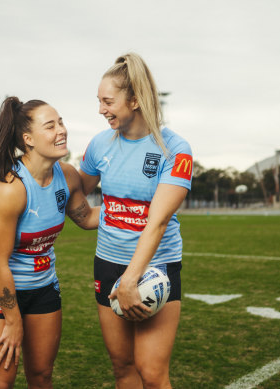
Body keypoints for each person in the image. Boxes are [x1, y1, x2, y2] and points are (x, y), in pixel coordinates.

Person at [78, 53, 193, 388]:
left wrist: (130, 282)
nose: (101, 109)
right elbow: (76, 192)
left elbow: (156, 223)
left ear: (135, 100)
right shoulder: (100, 144)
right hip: (107, 264)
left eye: (108, 101)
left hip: (155, 267)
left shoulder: (174, 149)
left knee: (152, 373)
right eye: (99, 101)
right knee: (123, 368)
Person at [0, 96, 99, 389]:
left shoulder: (66, 176)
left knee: (42, 376)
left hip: (43, 287)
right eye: (50, 126)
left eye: (61, 122)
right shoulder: (9, 189)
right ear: (28, 139)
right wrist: (13, 321)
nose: (61, 130)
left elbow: (86, 217)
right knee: (0, 379)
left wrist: (137, 210)